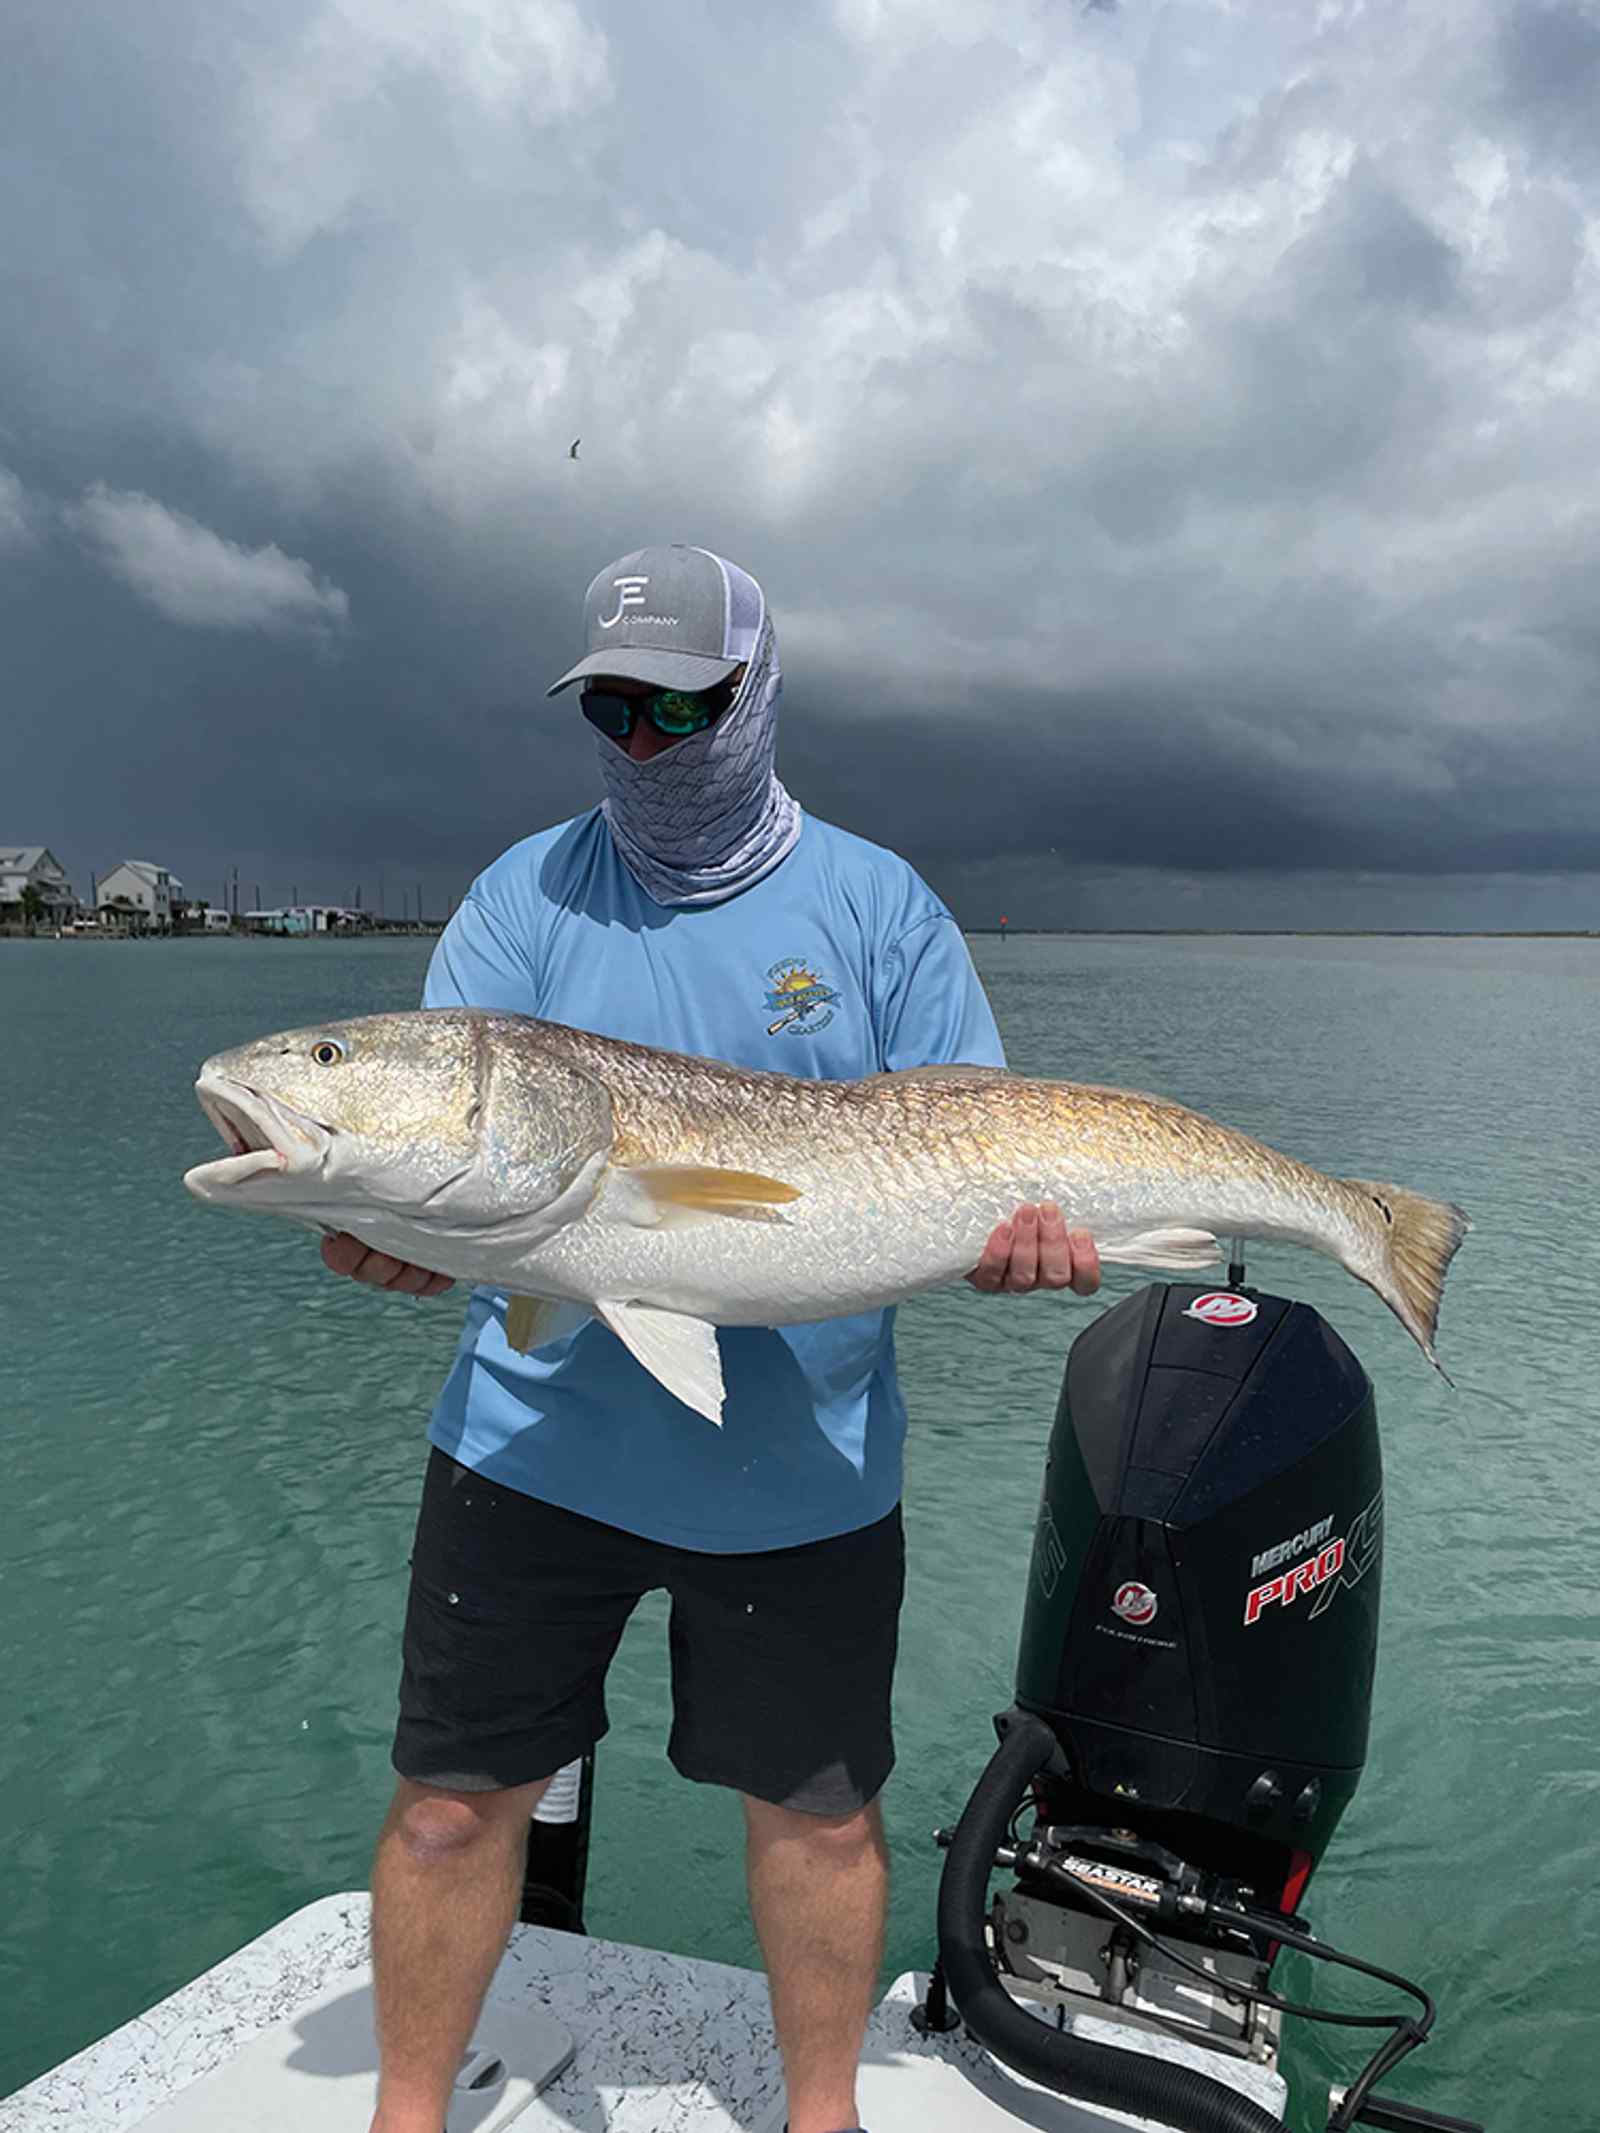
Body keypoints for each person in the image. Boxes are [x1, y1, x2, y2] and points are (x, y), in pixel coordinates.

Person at [322, 546, 1101, 2133]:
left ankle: (825, 2117)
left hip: (800, 1472)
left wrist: (1018, 1244)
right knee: (450, 1814)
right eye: (611, 706)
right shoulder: (520, 900)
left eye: (681, 704)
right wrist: (406, 1234)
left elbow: (977, 1139)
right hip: (530, 1450)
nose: (645, 739)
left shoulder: (878, 907)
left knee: (820, 1824)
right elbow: (461, 1159)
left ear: (759, 691)